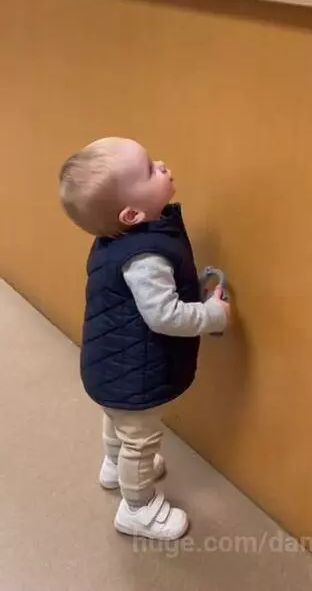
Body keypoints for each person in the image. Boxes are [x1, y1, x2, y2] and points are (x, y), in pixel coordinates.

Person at [58, 137, 230, 541]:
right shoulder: (145, 258)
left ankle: (113, 465)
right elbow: (164, 315)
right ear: (131, 213)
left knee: (119, 420)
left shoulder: (118, 239)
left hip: (110, 367)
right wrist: (212, 315)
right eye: (151, 169)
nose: (163, 165)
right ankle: (138, 509)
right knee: (141, 439)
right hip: (135, 374)